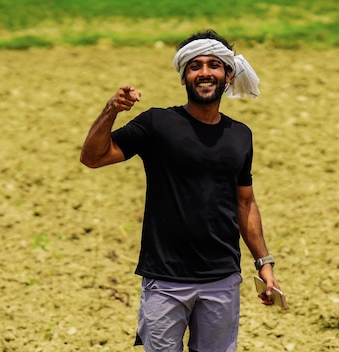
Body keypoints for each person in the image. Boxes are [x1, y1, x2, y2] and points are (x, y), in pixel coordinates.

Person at [80, 29, 284, 352]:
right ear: (183, 77)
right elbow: (92, 157)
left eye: (214, 65)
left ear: (227, 76)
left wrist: (264, 262)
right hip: (165, 281)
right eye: (195, 66)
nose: (205, 73)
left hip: (222, 281)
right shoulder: (156, 125)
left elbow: (245, 203)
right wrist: (111, 110)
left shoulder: (240, 136)